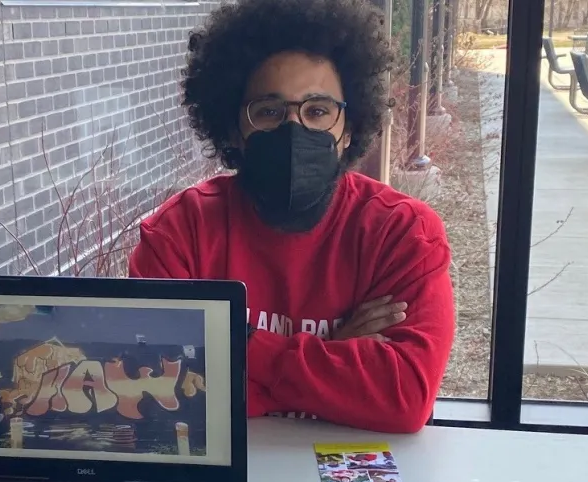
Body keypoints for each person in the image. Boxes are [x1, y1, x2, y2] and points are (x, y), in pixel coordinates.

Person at [129, 0, 455, 433]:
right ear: (232, 129)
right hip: (227, 479)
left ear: (350, 127)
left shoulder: (402, 233)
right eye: (268, 112)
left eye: (318, 111)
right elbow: (159, 396)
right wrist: (332, 353)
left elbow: (403, 397)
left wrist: (241, 347)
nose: (294, 128)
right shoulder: (179, 232)